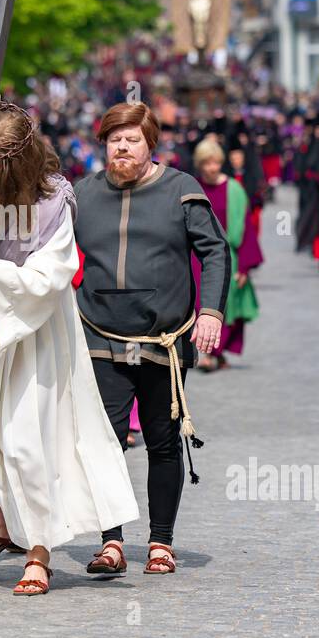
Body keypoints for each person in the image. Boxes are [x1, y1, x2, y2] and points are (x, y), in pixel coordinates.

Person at [0, 103, 138, 596]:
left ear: (23, 162)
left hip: (30, 332)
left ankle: (39, 551)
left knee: (24, 442)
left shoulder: (53, 200)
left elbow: (52, 276)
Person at [73, 102, 230, 576]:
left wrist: (211, 312)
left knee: (162, 442)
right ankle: (112, 542)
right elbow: (45, 250)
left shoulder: (182, 190)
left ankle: (161, 542)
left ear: (150, 144)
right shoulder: (81, 195)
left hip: (164, 340)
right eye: (114, 139)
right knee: (106, 443)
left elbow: (216, 251)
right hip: (99, 336)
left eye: (132, 139)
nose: (122, 146)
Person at [192, 138, 261, 368]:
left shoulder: (234, 189)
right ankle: (211, 354)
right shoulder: (193, 187)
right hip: (197, 256)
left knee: (227, 304)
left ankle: (214, 354)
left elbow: (246, 228)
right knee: (203, 303)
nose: (212, 168)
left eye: (215, 163)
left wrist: (244, 267)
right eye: (206, 163)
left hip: (227, 254)